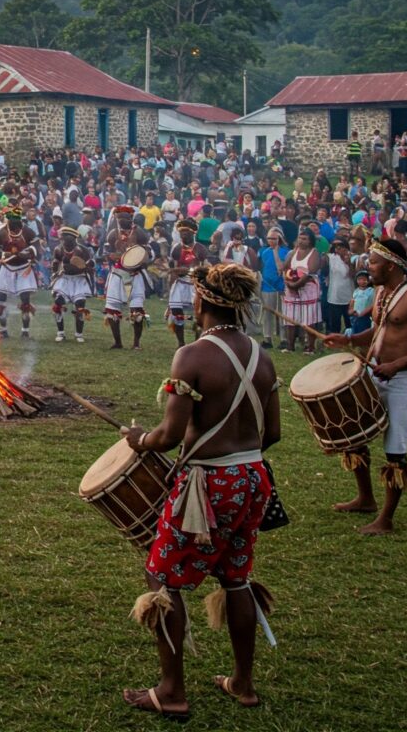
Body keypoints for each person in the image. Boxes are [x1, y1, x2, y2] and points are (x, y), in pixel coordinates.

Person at [123, 263, 279, 719]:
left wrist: (141, 440)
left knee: (163, 579)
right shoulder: (262, 356)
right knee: (236, 577)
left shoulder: (192, 355)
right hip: (253, 479)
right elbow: (272, 434)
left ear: (202, 302)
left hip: (208, 484)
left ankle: (171, 691)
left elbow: (169, 435)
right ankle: (243, 684)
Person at [323, 238, 407, 534]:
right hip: (375, 374)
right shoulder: (380, 292)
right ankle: (366, 498)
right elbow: (380, 331)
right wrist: (349, 339)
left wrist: (397, 365)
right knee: (355, 435)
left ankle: (386, 520)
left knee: (395, 451)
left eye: (374, 262)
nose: (368, 267)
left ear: (391, 265)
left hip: (401, 379)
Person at [102, 204, 150, 350]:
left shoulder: (140, 233)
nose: (122, 219)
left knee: (137, 311)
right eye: (119, 216)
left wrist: (140, 260)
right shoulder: (112, 234)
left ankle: (136, 343)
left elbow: (148, 253)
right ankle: (118, 342)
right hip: (117, 275)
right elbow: (106, 253)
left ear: (131, 218)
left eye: (125, 216)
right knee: (112, 310)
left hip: (135, 275)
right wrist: (111, 256)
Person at [0, 206, 38, 339]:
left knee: (25, 300)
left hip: (24, 269)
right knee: (0, 299)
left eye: (16, 221)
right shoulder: (1, 233)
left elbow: (37, 248)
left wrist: (27, 254)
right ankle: (3, 330)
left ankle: (25, 331)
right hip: (7, 269)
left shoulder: (28, 232)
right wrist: (5, 254)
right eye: (11, 221)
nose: (13, 225)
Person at [49, 226, 94, 343]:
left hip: (79, 279)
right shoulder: (58, 249)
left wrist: (87, 266)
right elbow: (56, 262)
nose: (66, 243)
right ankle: (60, 333)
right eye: (64, 240)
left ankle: (79, 334)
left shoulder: (83, 250)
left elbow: (91, 264)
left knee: (80, 306)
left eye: (69, 241)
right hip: (64, 279)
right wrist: (54, 273)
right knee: (58, 303)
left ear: (74, 240)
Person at [167, 218, 206, 348]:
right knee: (177, 313)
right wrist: (170, 286)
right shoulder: (176, 249)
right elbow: (172, 268)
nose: (183, 234)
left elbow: (205, 268)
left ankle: (197, 345)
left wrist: (189, 270)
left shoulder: (200, 249)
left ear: (193, 233)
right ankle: (181, 343)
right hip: (180, 284)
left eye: (186, 232)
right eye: (181, 232)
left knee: (198, 316)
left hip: (195, 285)